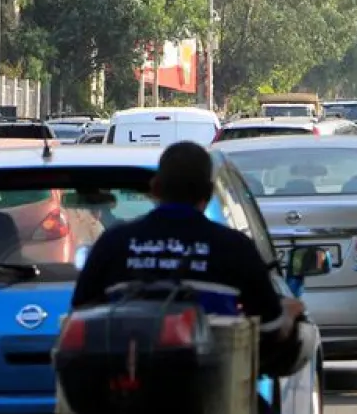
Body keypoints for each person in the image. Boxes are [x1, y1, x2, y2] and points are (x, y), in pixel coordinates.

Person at [71, 142, 304, 342]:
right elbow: (270, 327)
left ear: (155, 188)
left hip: (123, 383)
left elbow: (81, 313)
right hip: (216, 385)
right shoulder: (235, 248)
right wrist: (291, 312)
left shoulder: (114, 242)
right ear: (209, 192)